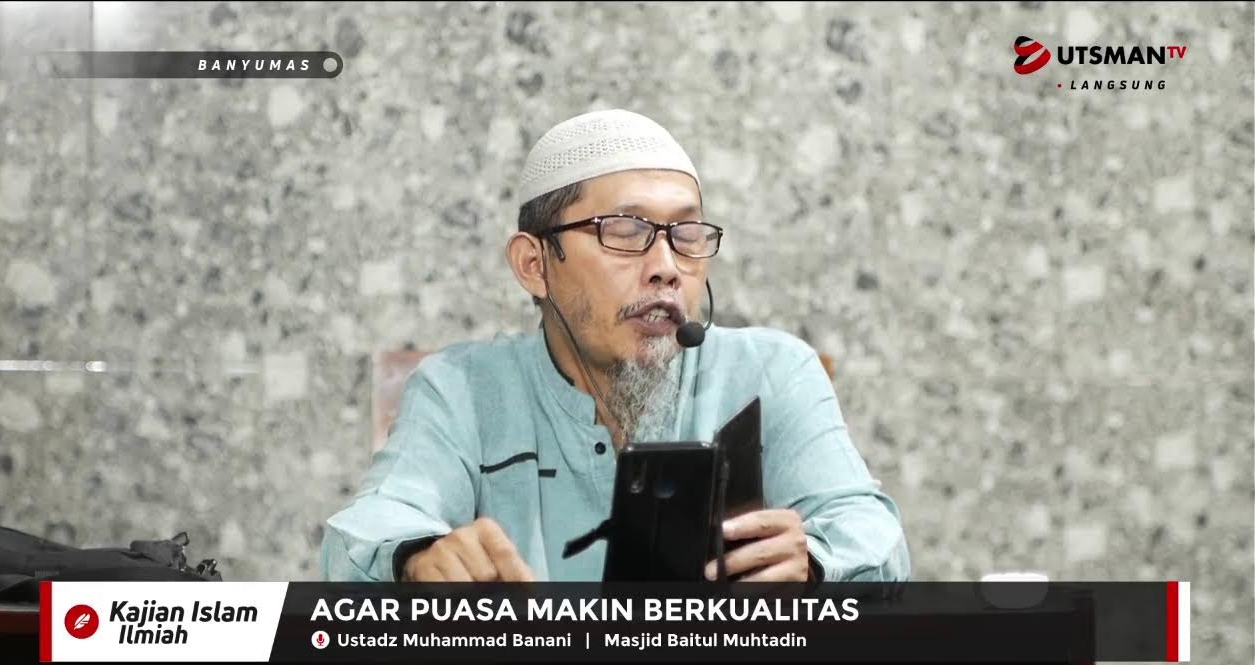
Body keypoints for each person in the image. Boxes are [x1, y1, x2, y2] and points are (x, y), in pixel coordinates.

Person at [321, 109, 910, 583]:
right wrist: (417, 560)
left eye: (687, 235)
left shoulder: (772, 370)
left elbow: (874, 538)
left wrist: (813, 566)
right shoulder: (462, 388)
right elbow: (363, 535)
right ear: (534, 264)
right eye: (625, 232)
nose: (667, 267)